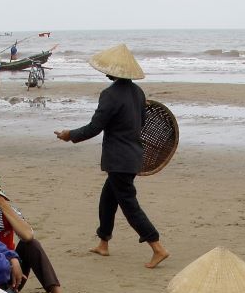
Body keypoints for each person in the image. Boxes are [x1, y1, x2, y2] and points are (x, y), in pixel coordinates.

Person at [55, 44, 169, 269]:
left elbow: (95, 127)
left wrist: (70, 136)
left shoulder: (110, 94)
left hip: (118, 160)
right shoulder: (138, 92)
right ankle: (103, 242)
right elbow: (141, 123)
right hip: (133, 157)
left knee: (129, 204)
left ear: (113, 71)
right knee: (108, 199)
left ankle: (157, 247)